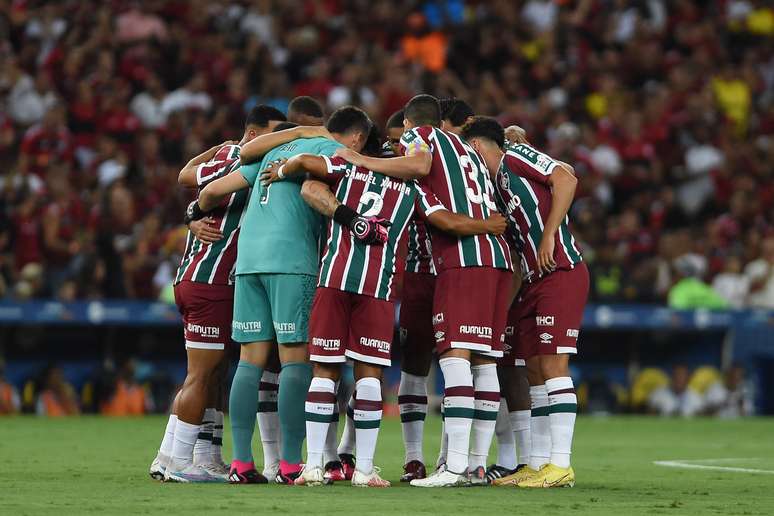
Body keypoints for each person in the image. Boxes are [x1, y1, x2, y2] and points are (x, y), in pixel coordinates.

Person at [335, 94, 513, 487]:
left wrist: (362, 160)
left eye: (404, 139)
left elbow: (423, 176)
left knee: (456, 356)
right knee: (481, 360)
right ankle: (470, 464)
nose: (401, 147)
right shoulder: (466, 151)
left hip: (461, 261)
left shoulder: (424, 144)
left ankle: (456, 466)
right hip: (490, 262)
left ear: (414, 127)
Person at [190, 106, 373, 484]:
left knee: (248, 361)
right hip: (292, 261)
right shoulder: (334, 153)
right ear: (354, 137)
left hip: (248, 263)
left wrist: (195, 217)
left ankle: (240, 463)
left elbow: (210, 190)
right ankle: (290, 463)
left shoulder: (271, 152)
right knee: (295, 361)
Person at [149, 105, 287, 484]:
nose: (282, 141)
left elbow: (184, 175)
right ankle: (175, 461)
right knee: (202, 375)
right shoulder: (250, 164)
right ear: (257, 135)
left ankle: (200, 456)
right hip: (213, 282)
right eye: (277, 134)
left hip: (194, 278)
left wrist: (215, 149)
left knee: (212, 375)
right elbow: (202, 190)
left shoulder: (226, 155)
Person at [462, 116, 588, 488]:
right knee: (532, 369)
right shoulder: (498, 187)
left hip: (560, 270)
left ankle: (561, 465)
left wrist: (549, 234)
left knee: (552, 365)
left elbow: (566, 178)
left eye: (470, 155)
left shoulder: (515, 157)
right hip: (534, 281)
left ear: (481, 148)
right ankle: (536, 463)